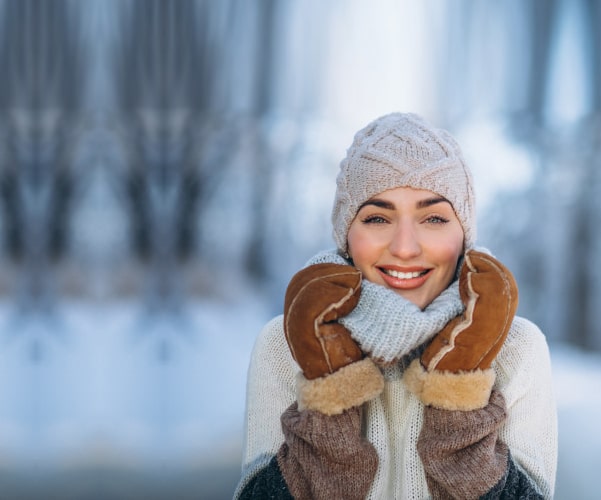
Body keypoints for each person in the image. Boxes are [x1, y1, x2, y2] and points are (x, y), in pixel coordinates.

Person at [234, 112, 557, 499]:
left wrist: (460, 404)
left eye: (434, 217)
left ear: (463, 234)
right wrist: (329, 407)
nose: (405, 247)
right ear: (346, 234)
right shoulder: (286, 344)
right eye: (377, 218)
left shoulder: (516, 348)